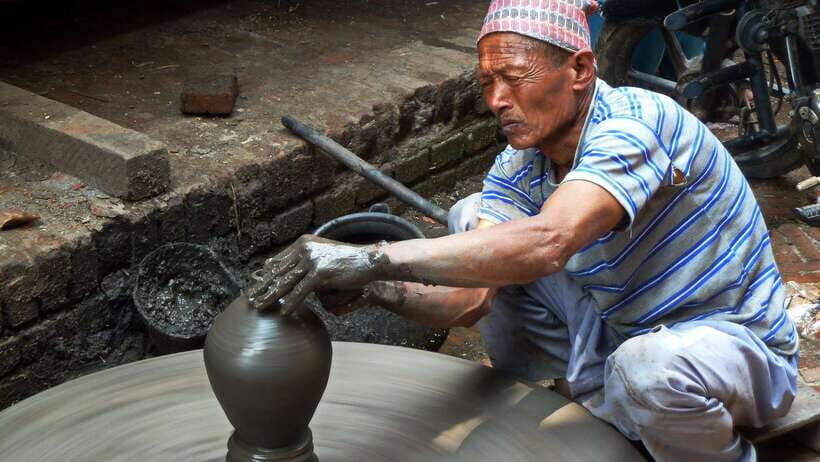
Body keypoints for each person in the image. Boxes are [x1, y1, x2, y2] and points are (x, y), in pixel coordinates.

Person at [249, 1, 798, 460]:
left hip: (734, 350)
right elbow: (466, 299)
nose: (496, 101)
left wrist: (373, 257)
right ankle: (565, 398)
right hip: (623, 332)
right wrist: (372, 289)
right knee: (472, 224)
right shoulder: (522, 165)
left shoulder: (638, 124)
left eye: (513, 79)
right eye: (487, 82)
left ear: (580, 70)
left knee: (645, 368)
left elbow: (550, 241)